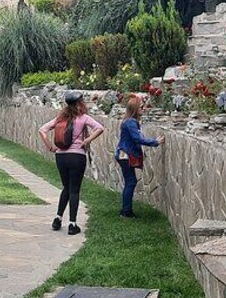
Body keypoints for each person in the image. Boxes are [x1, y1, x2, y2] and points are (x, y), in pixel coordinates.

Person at [38, 91, 104, 236]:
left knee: (66, 187)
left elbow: (42, 130)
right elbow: (100, 128)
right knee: (74, 190)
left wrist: (50, 147)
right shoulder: (83, 118)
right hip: (77, 157)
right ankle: (72, 224)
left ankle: (57, 218)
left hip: (60, 157)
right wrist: (87, 140)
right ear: (80, 103)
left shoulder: (60, 118)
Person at [115, 95, 164, 218]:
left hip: (123, 154)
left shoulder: (129, 121)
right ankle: (126, 212)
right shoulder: (131, 122)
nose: (144, 108)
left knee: (129, 182)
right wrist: (155, 142)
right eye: (141, 107)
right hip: (125, 155)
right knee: (130, 182)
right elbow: (137, 139)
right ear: (135, 108)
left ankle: (126, 210)